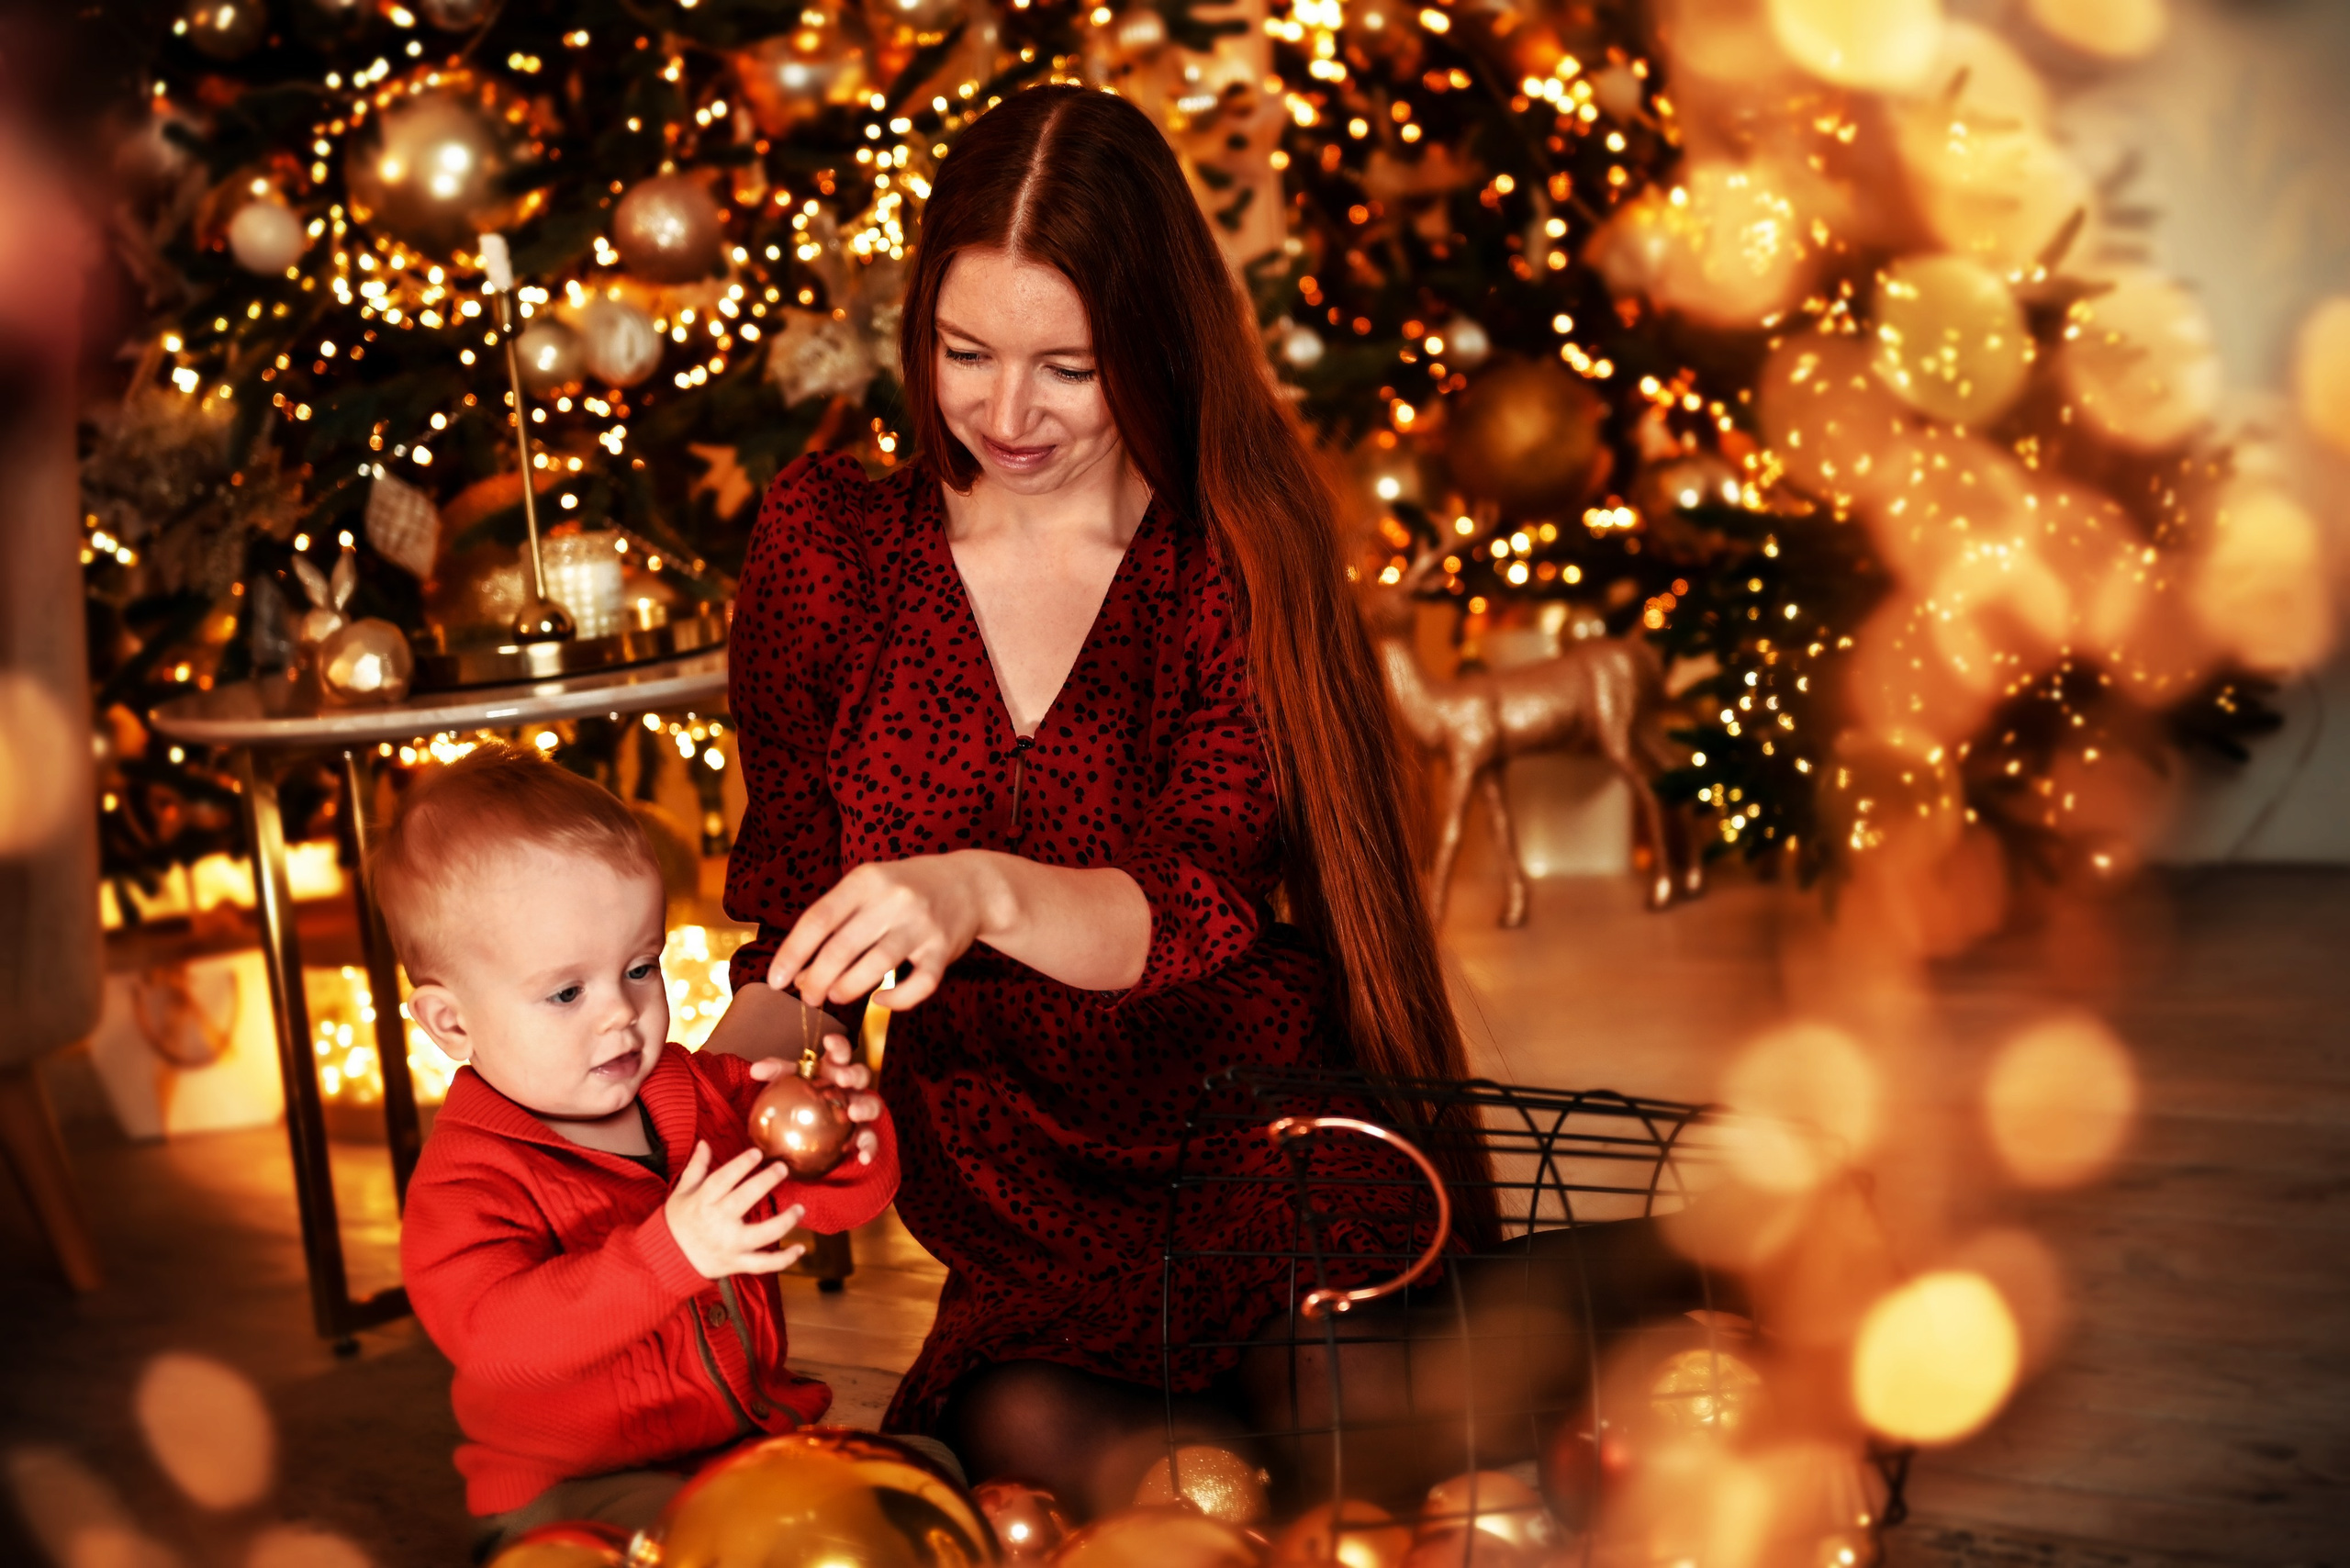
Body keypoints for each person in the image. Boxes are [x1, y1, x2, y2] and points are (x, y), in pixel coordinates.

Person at [710, 84, 1499, 1517]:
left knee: (1338, 1452)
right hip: (1025, 1218)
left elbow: (1193, 905)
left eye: (1067, 368)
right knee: (1036, 1453)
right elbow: (791, 946)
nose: (1007, 415)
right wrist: (681, 1115)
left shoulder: (1228, 556)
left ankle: (1685, 1280)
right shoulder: (831, 547)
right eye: (964, 352)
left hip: (1258, 1155)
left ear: (1150, 343)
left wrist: (976, 890)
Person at [386, 744, 898, 1551]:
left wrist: (847, 1135)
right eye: (567, 991)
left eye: (639, 967)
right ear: (452, 1023)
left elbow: (840, 1207)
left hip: (742, 1445)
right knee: (704, 1545)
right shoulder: (466, 1183)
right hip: (576, 1491)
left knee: (908, 1482)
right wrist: (671, 1255)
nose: (620, 1014)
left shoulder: (704, 1093)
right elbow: (500, 1342)